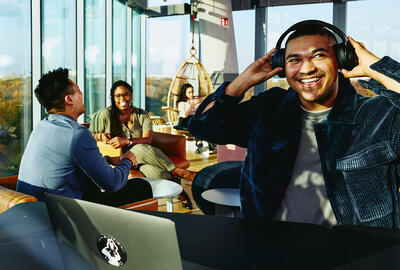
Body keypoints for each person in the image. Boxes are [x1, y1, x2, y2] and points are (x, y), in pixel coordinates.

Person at [189, 20, 400, 228]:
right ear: (282, 66)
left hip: (356, 253)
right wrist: (243, 80)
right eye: (294, 60)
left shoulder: (379, 115)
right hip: (271, 248)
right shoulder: (268, 108)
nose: (306, 68)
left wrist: (376, 69)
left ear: (341, 61)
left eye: (318, 55)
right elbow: (203, 126)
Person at [17, 68, 152, 206]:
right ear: (69, 99)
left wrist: (106, 160)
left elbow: (67, 163)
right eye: (78, 89)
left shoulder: (41, 127)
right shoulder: (77, 134)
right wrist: (128, 161)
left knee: (88, 179)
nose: (82, 94)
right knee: (141, 187)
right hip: (59, 216)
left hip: (34, 211)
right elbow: (113, 183)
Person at [89, 80, 196, 209]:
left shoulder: (142, 115)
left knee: (160, 174)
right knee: (138, 148)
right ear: (113, 98)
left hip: (142, 158)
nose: (123, 98)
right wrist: (100, 136)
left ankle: (180, 192)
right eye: (118, 96)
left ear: (131, 95)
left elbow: (148, 139)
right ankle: (180, 172)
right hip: (119, 158)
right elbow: (90, 136)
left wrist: (127, 141)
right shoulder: (106, 115)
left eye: (126, 94)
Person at [175, 83, 216, 153]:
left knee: (204, 121)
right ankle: (209, 143)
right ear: (184, 93)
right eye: (189, 92)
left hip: (196, 119)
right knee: (195, 121)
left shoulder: (196, 100)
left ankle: (200, 143)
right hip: (184, 120)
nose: (191, 94)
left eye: (192, 91)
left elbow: (201, 111)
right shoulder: (181, 103)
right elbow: (185, 115)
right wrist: (192, 105)